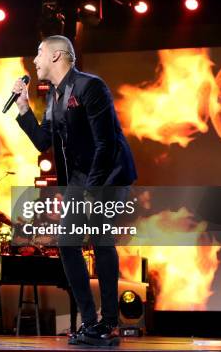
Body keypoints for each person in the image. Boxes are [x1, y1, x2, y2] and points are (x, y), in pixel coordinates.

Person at [13, 35, 137, 346]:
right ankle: (90, 321)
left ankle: (109, 322)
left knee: (100, 238)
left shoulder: (90, 86)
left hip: (109, 173)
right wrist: (24, 108)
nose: (35, 60)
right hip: (82, 177)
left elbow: (105, 143)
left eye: (39, 53)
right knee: (67, 243)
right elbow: (44, 142)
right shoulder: (55, 97)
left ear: (56, 56)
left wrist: (90, 191)